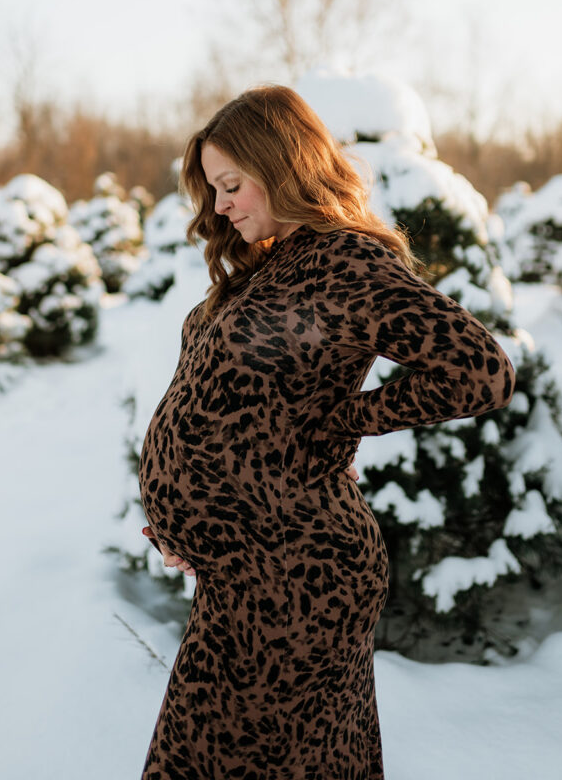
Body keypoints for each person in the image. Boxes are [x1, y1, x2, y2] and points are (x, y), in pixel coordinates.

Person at [138, 84, 515, 780]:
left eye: (231, 184)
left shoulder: (345, 263)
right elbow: (238, 407)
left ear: (281, 167)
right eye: (213, 188)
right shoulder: (270, 262)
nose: (219, 206)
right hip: (249, 570)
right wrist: (190, 519)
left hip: (298, 578)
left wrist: (351, 419)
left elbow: (479, 369)